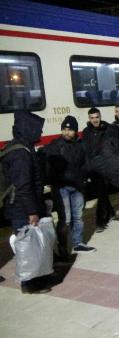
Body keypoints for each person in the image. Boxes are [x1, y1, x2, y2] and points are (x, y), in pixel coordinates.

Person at [1, 110, 51, 293]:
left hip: (22, 205)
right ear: (27, 129)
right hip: (21, 209)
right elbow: (23, 186)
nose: (40, 133)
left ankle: (39, 276)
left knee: (33, 245)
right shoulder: (20, 153)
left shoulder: (21, 147)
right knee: (27, 247)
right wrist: (32, 212)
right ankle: (29, 284)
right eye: (38, 129)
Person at [41, 116, 96, 254]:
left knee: (78, 217)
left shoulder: (82, 144)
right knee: (65, 219)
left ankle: (78, 243)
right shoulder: (55, 145)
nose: (66, 132)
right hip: (62, 187)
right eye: (64, 129)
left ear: (75, 131)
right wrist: (53, 181)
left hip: (78, 186)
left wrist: (84, 177)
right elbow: (48, 165)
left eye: (70, 129)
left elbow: (87, 163)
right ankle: (63, 248)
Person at [82, 107, 118, 233]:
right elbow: (86, 151)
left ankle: (100, 221)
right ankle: (111, 212)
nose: (95, 120)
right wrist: (86, 169)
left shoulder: (108, 129)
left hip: (105, 166)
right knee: (101, 192)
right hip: (94, 168)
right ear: (89, 119)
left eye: (97, 117)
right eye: (92, 118)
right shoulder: (86, 132)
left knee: (101, 193)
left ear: (100, 117)